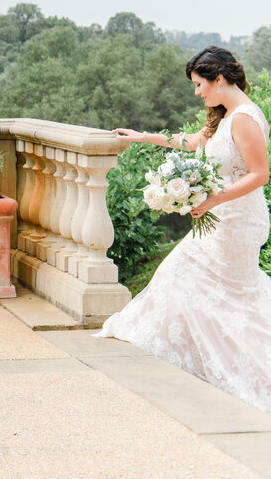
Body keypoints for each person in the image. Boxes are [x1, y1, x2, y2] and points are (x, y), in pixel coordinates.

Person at [102, 46, 270, 412]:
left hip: (238, 223)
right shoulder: (225, 116)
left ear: (220, 79)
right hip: (220, 218)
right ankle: (194, 357)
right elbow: (193, 143)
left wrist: (213, 199)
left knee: (219, 291)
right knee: (193, 282)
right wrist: (142, 137)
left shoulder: (245, 118)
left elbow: (260, 174)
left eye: (199, 85)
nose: (197, 92)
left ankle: (245, 368)